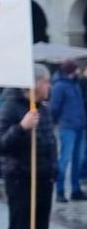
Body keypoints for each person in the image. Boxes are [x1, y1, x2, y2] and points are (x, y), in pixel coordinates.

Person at [0, 64, 57, 229]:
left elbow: (49, 140)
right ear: (37, 83)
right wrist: (21, 127)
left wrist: (53, 170)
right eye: (47, 82)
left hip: (43, 179)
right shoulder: (10, 106)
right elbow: (0, 143)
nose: (49, 87)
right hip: (20, 178)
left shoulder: (43, 109)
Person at [50, 60, 86, 202]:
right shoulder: (59, 86)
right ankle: (60, 191)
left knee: (78, 159)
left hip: (79, 127)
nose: (78, 71)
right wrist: (56, 122)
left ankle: (75, 190)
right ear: (71, 71)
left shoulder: (75, 84)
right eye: (76, 69)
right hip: (68, 127)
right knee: (65, 159)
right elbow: (54, 108)